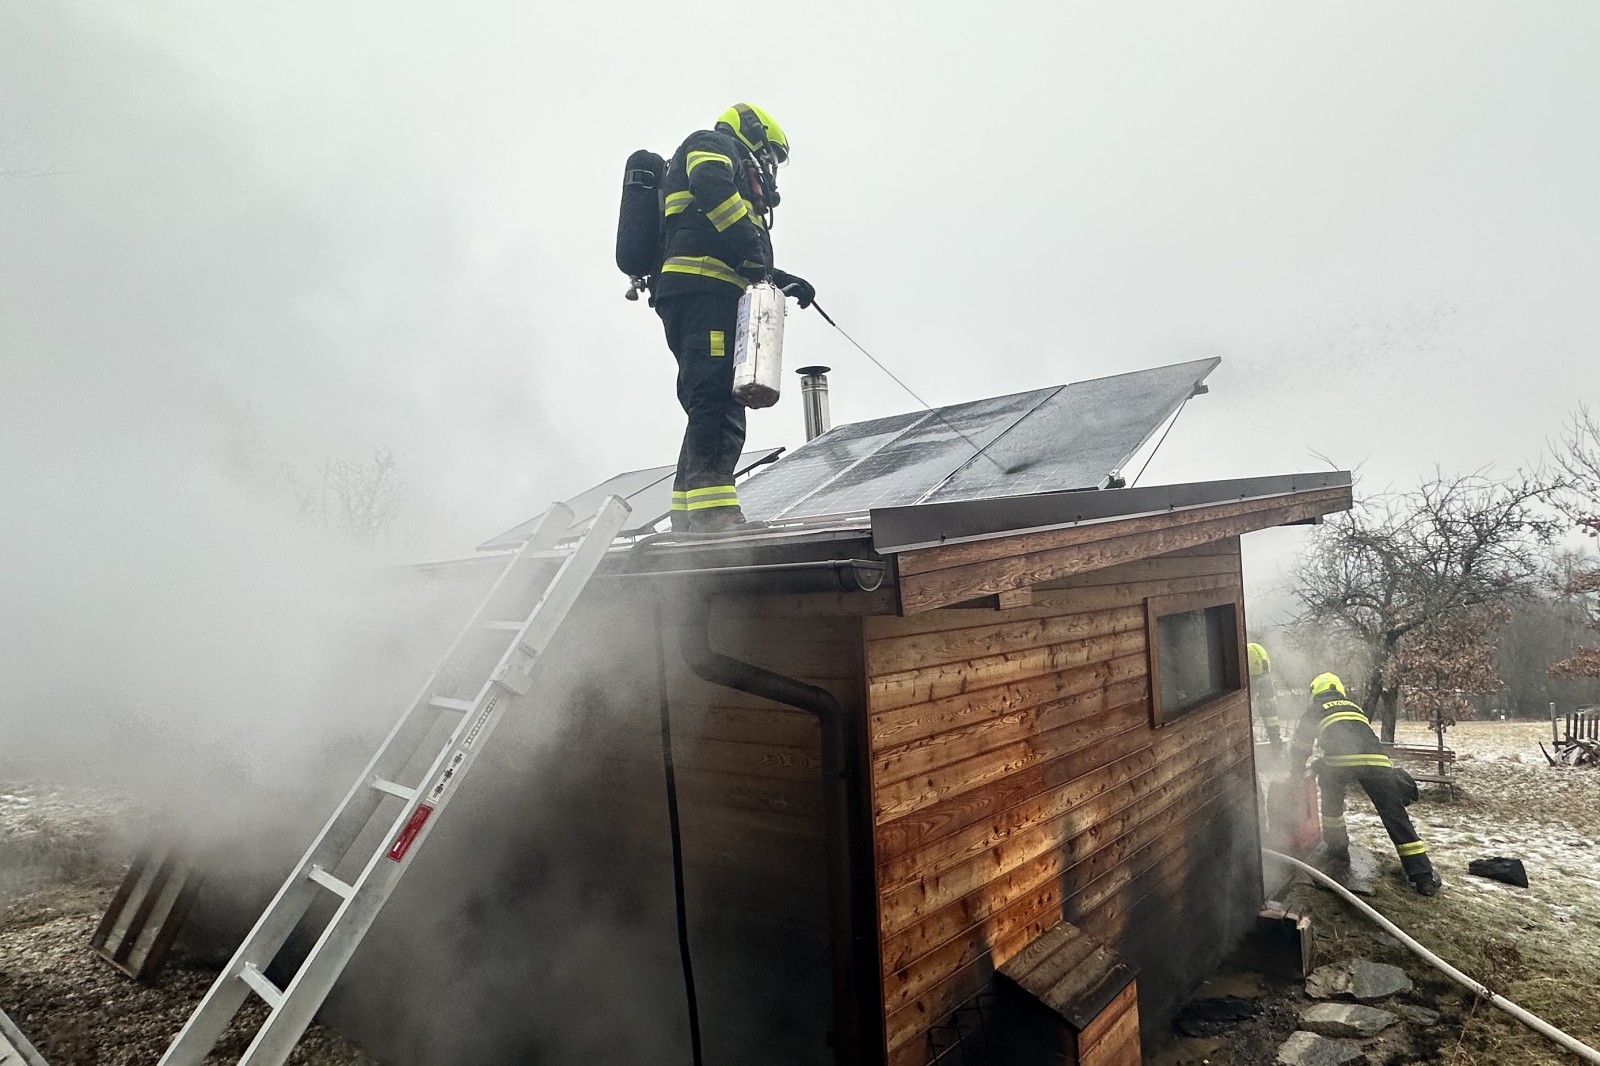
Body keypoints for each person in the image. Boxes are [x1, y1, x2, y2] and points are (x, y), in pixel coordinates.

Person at [654, 103, 815, 533]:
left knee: (707, 402)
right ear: (755, 136)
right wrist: (753, 249)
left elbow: (723, 244)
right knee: (716, 400)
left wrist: (779, 279)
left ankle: (688, 519)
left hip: (704, 292)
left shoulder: (729, 164)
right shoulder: (712, 143)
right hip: (703, 292)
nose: (771, 166)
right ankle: (715, 517)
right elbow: (711, 187)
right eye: (772, 155)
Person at [1289, 672, 1442, 896]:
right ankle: (1423, 877)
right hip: (1377, 762)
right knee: (1395, 817)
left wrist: (1295, 773)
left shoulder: (1316, 708)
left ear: (1315, 691)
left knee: (1331, 802)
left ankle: (1337, 849)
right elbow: (1354, 741)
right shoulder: (1353, 707)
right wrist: (1324, 761)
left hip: (1340, 763)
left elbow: (1301, 746)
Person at [1247, 642, 1283, 750]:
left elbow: (1270, 712)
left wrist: (1275, 738)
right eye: (1258, 678)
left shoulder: (1265, 681)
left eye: (1264, 677)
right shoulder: (1242, 689)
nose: (1261, 683)